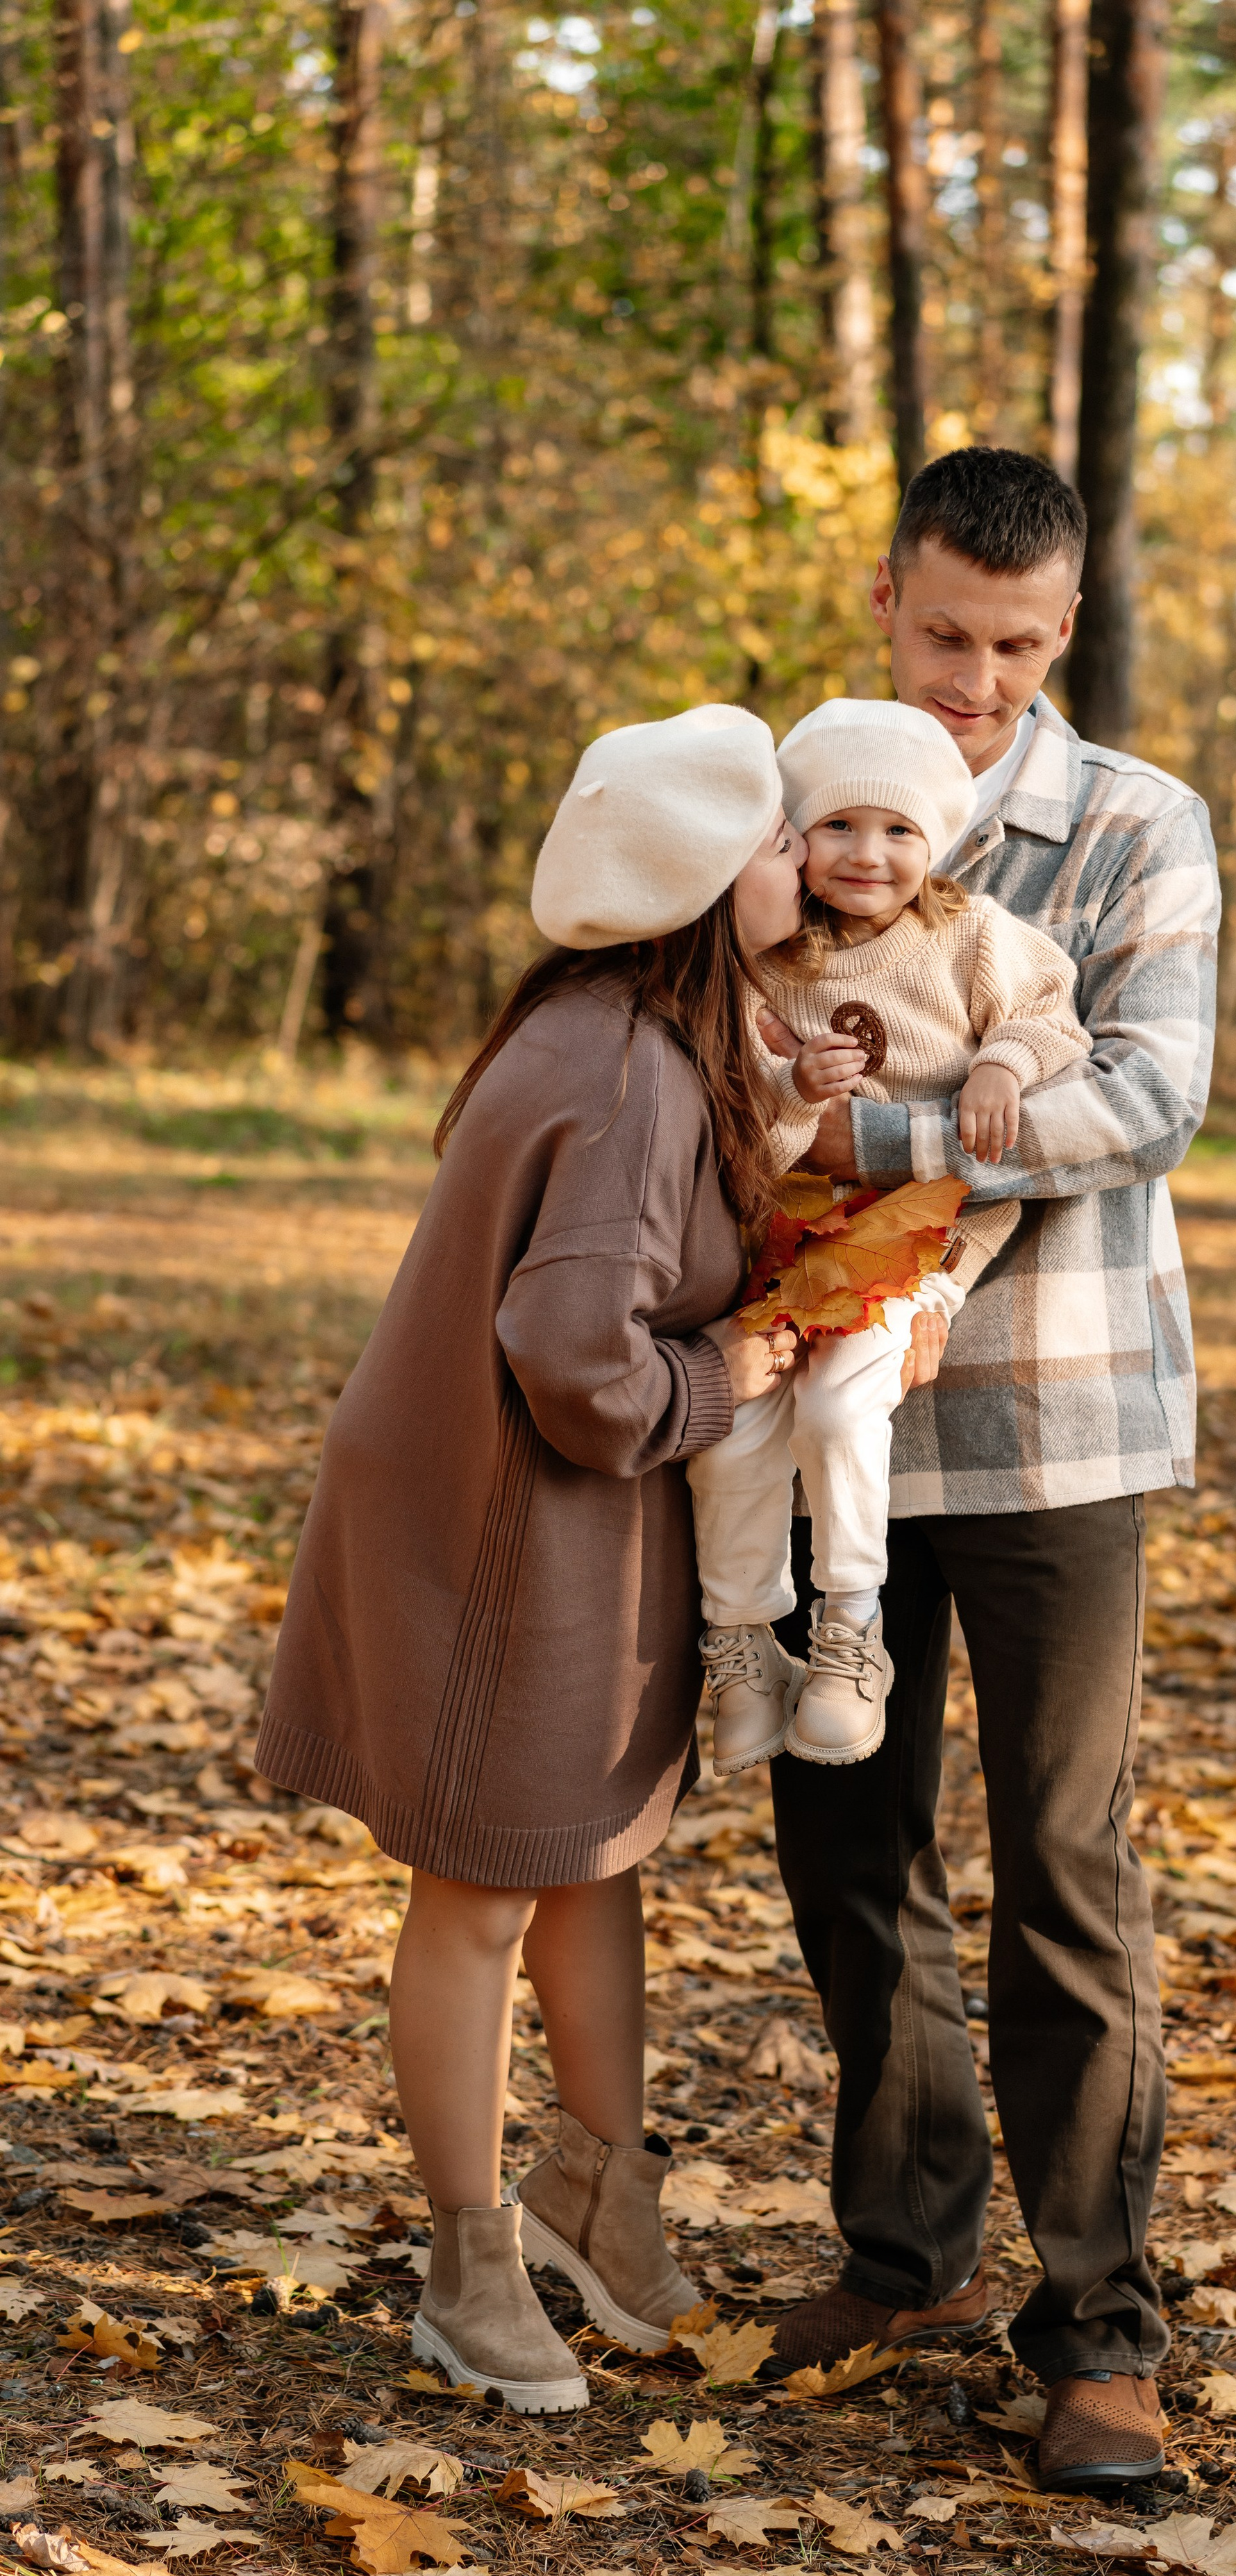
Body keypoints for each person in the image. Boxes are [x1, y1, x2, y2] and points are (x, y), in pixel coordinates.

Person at [255, 703, 815, 2412]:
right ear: (709, 885)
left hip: (549, 1514)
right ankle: (466, 2257)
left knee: (593, 1847)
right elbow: (579, 1355)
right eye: (785, 838)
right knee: (486, 1881)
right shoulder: (627, 1069)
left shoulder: (624, 1029)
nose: (814, 860)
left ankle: (597, 2185)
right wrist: (729, 1376)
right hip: (490, 1518)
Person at [765, 448, 1222, 2491]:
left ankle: (1103, 2324)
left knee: (1065, 1863)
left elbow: (1146, 1094)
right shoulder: (783, 806)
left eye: (1020, 646)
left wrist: (882, 1144)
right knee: (852, 1845)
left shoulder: (1138, 824)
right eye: (945, 631)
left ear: (1068, 633)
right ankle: (908, 2247)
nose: (976, 680)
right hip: (813, 1399)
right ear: (888, 597)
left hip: (1058, 1408)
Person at [685, 696, 1089, 1773]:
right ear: (795, 838)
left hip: (919, 1226)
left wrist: (1002, 1063)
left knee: (837, 1401)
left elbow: (1054, 1008)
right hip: (789, 1227)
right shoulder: (773, 954)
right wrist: (788, 1083)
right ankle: (739, 1640)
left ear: (937, 840)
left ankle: (849, 1628)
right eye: (839, 827)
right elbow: (738, 1095)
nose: (870, 853)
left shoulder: (965, 936)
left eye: (900, 830)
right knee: (731, 1428)